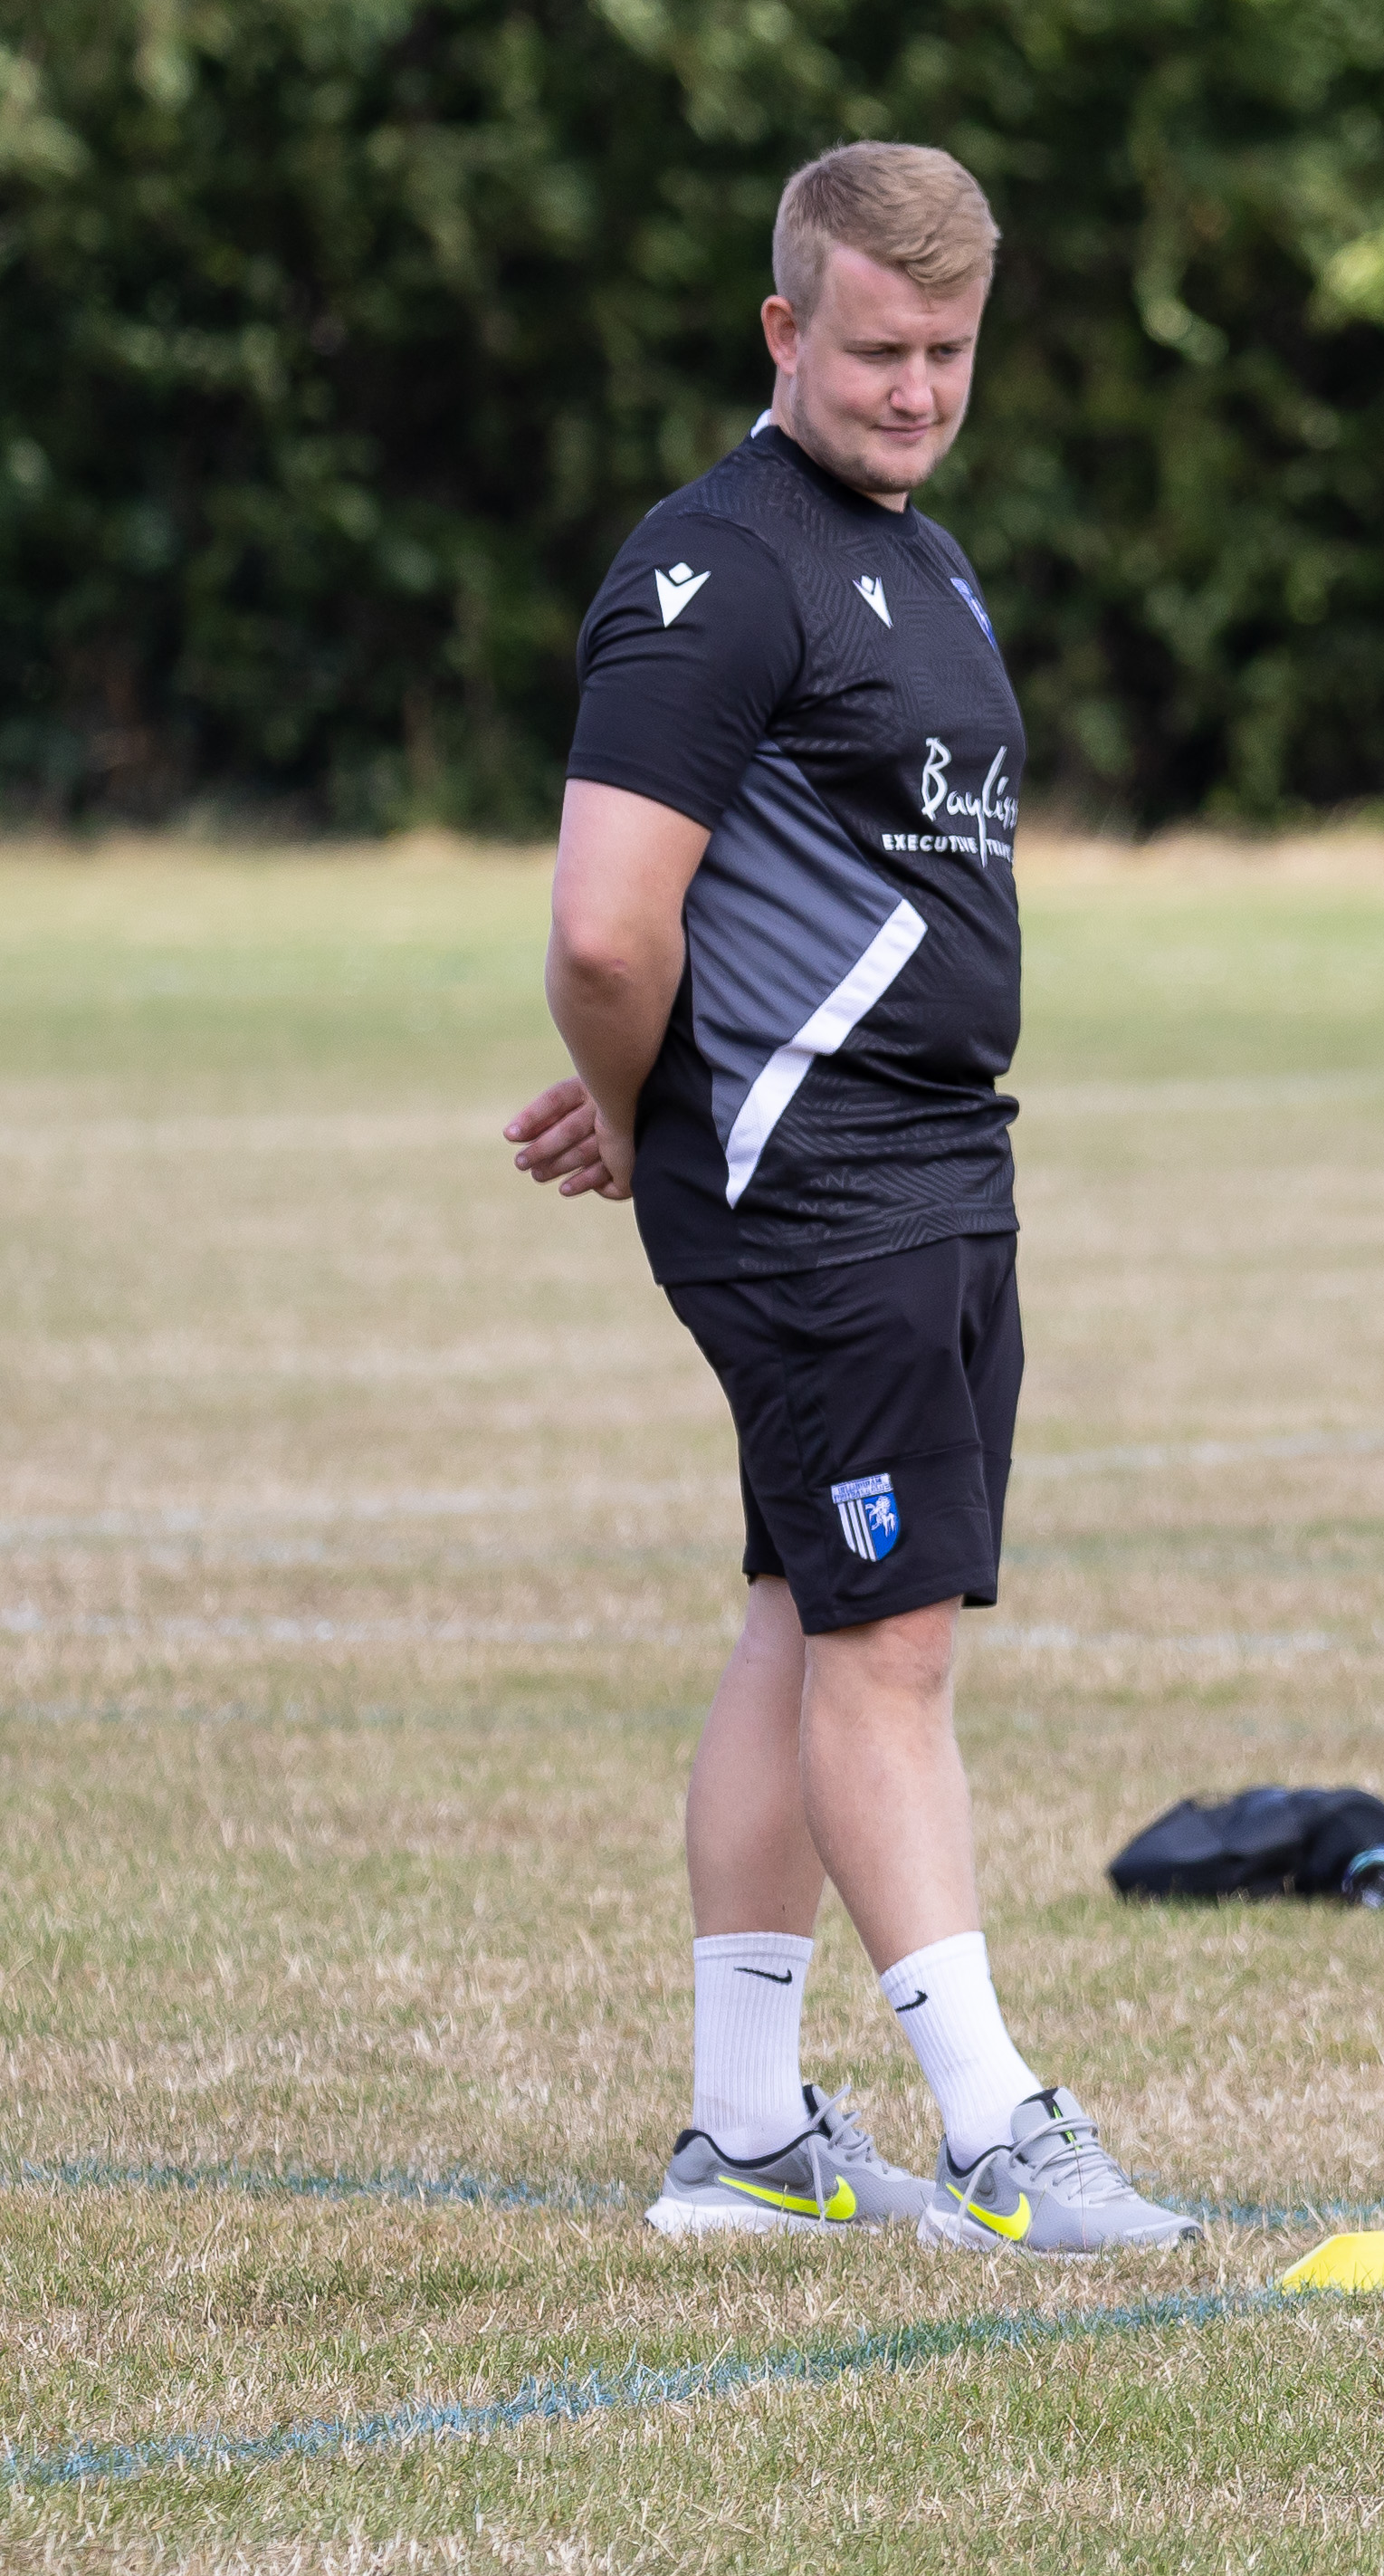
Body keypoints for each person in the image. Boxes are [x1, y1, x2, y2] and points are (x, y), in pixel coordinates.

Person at [500, 141, 1192, 2255]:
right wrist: (649, 1103)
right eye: (875, 348)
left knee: (808, 1611)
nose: (913, 389)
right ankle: (1000, 2128)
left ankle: (747, 2136)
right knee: (886, 1643)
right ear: (783, 330)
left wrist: (665, 1086)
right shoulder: (718, 569)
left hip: (922, 1166)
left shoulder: (917, 550)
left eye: (950, 351)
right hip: (823, 1188)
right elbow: (611, 932)